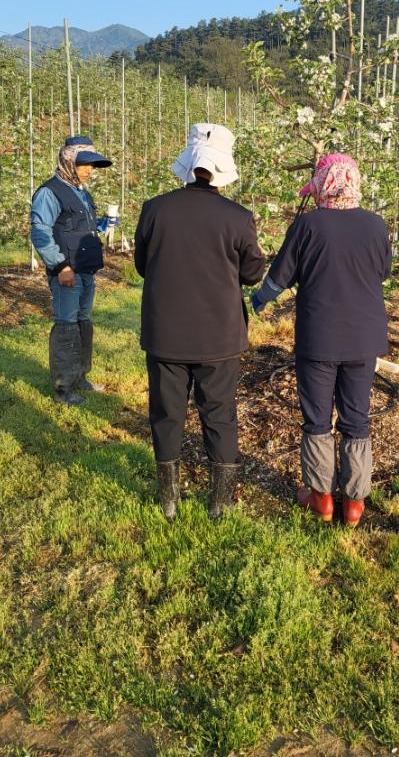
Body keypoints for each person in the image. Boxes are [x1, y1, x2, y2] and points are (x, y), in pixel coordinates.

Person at [251, 153, 392, 528]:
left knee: (317, 418)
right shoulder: (376, 225)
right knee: (356, 417)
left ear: (322, 185)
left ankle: (322, 498)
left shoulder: (307, 224)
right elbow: (383, 271)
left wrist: (259, 301)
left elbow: (278, 279)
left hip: (319, 337)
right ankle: (355, 503)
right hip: (364, 338)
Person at [134, 124, 265, 522]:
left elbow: (143, 266)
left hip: (165, 332)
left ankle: (169, 500)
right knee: (219, 414)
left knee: (166, 412)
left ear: (188, 163)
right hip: (218, 336)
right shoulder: (238, 218)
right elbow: (252, 274)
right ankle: (219, 502)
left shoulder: (155, 209)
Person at [31, 136, 114, 405]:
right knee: (67, 325)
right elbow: (40, 232)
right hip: (67, 272)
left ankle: (80, 377)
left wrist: (103, 223)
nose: (89, 170)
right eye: (84, 164)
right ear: (68, 161)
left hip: (86, 270)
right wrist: (60, 266)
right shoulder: (50, 192)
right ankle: (63, 388)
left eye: (92, 165)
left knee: (82, 323)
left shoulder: (82, 192)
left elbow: (78, 227)